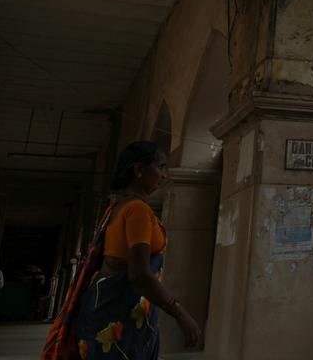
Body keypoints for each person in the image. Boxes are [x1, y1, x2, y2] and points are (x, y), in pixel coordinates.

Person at [42, 141, 202, 359]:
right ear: (138, 170)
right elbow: (139, 273)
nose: (164, 175)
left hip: (108, 308)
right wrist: (180, 313)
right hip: (119, 317)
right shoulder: (137, 210)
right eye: (161, 167)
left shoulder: (118, 207)